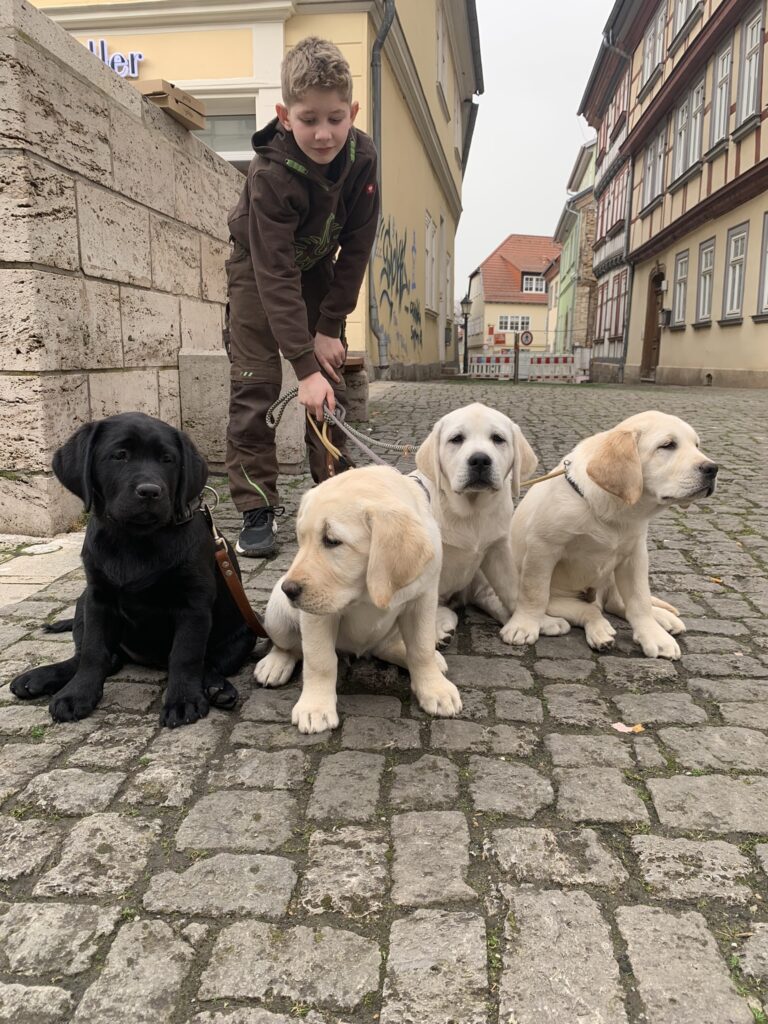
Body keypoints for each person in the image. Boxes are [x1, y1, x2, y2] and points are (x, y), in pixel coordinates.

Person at [224, 36, 380, 558]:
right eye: (308, 118)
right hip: (258, 270)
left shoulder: (363, 157)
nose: (323, 133)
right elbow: (274, 274)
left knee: (327, 380)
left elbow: (357, 246)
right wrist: (301, 363)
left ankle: (334, 491)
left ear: (352, 112)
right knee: (256, 387)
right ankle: (256, 507)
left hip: (316, 266)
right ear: (284, 115)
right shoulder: (270, 175)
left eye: (335, 118)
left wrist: (329, 328)